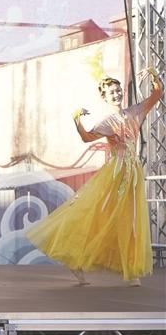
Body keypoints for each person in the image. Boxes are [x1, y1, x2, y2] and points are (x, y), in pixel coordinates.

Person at [27, 68, 163, 286]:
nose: (116, 94)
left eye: (118, 90)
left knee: (129, 220)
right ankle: (75, 260)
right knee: (101, 217)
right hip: (116, 174)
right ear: (104, 97)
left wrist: (155, 76)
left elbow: (157, 94)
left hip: (132, 175)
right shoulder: (108, 122)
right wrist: (77, 119)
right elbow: (87, 137)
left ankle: (130, 269)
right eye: (111, 92)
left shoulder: (135, 112)